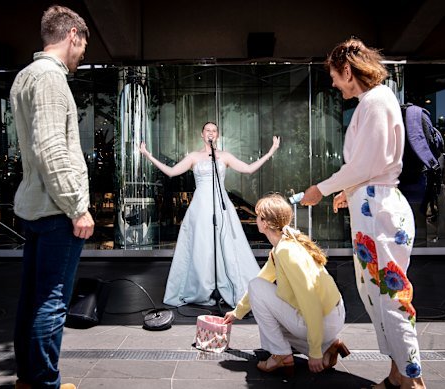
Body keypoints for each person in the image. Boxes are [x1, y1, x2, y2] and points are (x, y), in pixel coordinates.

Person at [300, 38, 425, 388]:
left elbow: (368, 163)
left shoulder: (376, 101)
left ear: (348, 69)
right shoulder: (373, 102)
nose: (334, 83)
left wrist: (321, 189)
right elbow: (370, 165)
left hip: (379, 212)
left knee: (390, 297)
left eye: (335, 77)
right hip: (373, 207)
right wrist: (348, 191)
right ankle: (398, 373)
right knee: (377, 296)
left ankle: (413, 380)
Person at [9, 5, 94, 389]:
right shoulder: (49, 79)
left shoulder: (25, 77)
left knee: (32, 298)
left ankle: (28, 380)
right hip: (57, 211)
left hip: (37, 208)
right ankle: (46, 383)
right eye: (83, 46)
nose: (81, 56)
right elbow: (51, 150)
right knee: (51, 302)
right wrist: (78, 207)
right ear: (73, 34)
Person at [139, 122, 280, 307]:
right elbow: (172, 172)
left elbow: (248, 169)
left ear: (218, 136)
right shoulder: (194, 157)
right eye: (207, 130)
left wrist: (271, 152)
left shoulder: (224, 156)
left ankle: (230, 286)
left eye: (214, 131)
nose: (211, 133)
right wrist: (148, 155)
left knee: (228, 245)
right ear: (201, 134)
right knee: (202, 246)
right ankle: (202, 287)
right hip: (201, 206)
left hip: (221, 205)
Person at [223, 193, 349, 374]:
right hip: (331, 315)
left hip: (323, 319)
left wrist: (313, 354)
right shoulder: (285, 244)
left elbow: (310, 299)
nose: (255, 219)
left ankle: (281, 355)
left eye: (258, 216)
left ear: (265, 223)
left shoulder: (286, 252)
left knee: (256, 289)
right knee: (267, 307)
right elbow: (264, 278)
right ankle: (328, 347)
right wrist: (237, 312)